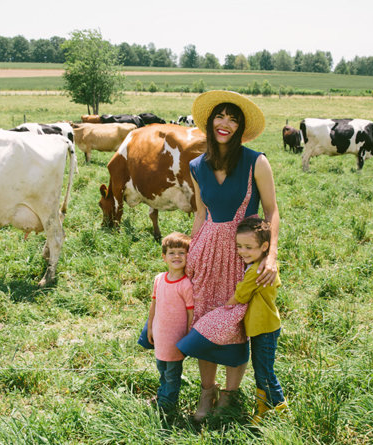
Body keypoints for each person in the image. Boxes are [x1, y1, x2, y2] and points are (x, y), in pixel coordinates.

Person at [175, 90, 280, 421]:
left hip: (242, 252)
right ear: (209, 122)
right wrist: (192, 252)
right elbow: (200, 213)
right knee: (204, 318)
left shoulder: (256, 161)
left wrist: (270, 255)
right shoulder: (196, 166)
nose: (225, 123)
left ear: (240, 128)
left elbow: (272, 210)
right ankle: (207, 392)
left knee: (234, 324)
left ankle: (230, 396)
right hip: (206, 251)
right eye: (220, 116)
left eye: (233, 118)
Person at [225, 216, 288, 422]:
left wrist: (225, 307)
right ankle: (264, 408)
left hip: (264, 328)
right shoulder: (265, 265)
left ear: (264, 246)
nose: (242, 251)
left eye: (248, 247)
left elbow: (242, 295)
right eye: (239, 246)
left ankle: (279, 408)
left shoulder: (256, 270)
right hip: (263, 326)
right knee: (261, 368)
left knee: (264, 371)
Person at [141, 232, 194, 411]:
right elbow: (154, 304)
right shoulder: (159, 279)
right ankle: (162, 394)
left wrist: (188, 337)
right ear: (164, 257)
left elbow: (191, 313)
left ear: (189, 256)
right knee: (161, 368)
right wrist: (150, 327)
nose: (177, 256)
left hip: (176, 338)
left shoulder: (186, 284)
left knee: (172, 373)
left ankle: (168, 404)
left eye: (182, 252)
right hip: (160, 334)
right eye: (172, 253)